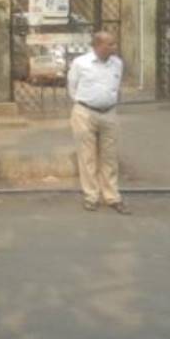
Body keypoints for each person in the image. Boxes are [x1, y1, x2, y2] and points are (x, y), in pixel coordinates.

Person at [66, 31, 129, 213]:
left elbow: (115, 87)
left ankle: (112, 196)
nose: (115, 47)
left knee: (110, 157)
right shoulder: (81, 63)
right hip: (85, 113)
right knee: (87, 156)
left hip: (109, 113)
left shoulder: (117, 64)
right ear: (98, 46)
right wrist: (85, 104)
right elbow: (72, 87)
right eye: (111, 44)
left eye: (114, 44)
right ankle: (91, 196)